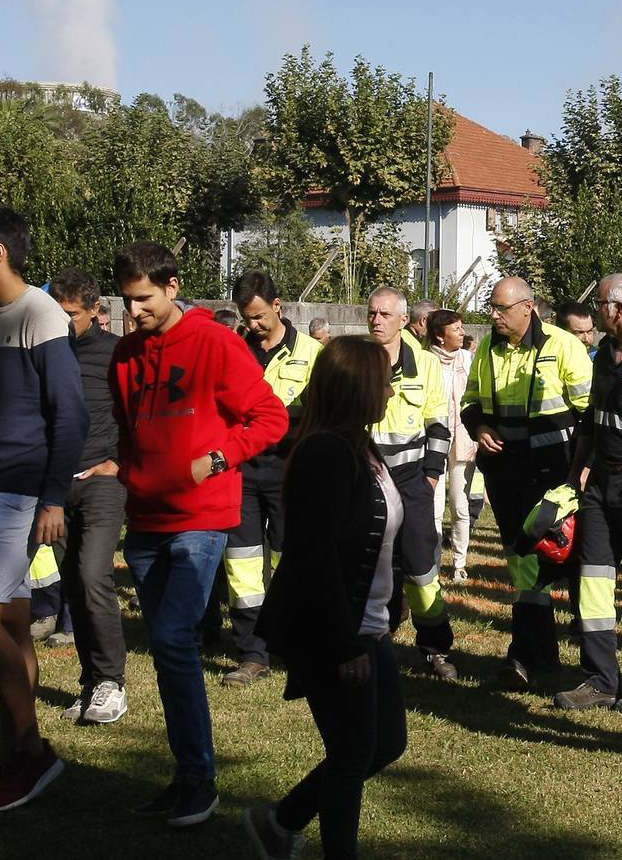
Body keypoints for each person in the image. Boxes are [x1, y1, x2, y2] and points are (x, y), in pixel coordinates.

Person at [109, 241, 288, 826]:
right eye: (126, 300)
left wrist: (215, 460)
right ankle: (187, 776)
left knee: (171, 640)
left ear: (172, 287)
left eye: (143, 299)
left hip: (201, 520)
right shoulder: (125, 355)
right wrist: (129, 475)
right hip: (145, 523)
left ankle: (198, 780)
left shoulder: (215, 343)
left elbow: (270, 418)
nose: (133, 311)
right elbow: (128, 430)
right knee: (170, 650)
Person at [250, 336, 410, 860]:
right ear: (358, 387)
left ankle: (280, 822)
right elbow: (313, 556)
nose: (391, 392)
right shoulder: (326, 453)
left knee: (385, 743)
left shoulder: (361, 446)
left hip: (368, 622)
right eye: (385, 382)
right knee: (353, 751)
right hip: (332, 628)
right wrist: (345, 644)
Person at [0, 206, 87, 811]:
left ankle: (34, 752)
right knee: (13, 624)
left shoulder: (41, 314)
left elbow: (71, 414)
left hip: (15, 491)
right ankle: (16, 754)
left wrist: (54, 497)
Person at [462, 277, 592, 688]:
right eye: (492, 308)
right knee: (522, 563)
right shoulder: (487, 347)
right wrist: (479, 426)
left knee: (556, 560)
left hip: (552, 476)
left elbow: (589, 413)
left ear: (527, 307)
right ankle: (536, 656)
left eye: (501, 309)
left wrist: (582, 471)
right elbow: (470, 401)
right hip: (505, 474)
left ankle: (545, 656)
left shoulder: (562, 345)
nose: (494, 316)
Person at [555, 274, 622, 712]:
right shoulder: (601, 355)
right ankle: (600, 679)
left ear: (618, 308)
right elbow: (592, 419)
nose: (597, 312)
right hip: (600, 486)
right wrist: (576, 471)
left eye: (600, 304)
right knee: (593, 583)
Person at [221, 270, 325, 687]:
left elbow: (322, 415)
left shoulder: (313, 353)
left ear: (277, 306)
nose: (253, 325)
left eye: (260, 316)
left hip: (289, 471)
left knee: (290, 558)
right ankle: (252, 653)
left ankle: (294, 640)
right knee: (242, 563)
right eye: (247, 318)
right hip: (241, 471)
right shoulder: (234, 350)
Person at [49, 268, 129, 725]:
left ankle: (112, 683)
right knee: (73, 584)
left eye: (72, 315)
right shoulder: (45, 351)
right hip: (55, 486)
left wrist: (117, 462)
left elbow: (137, 413)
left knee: (93, 573)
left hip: (102, 480)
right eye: (57, 313)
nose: (64, 323)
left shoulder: (117, 354)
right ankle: (91, 681)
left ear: (95, 310)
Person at [367, 287, 455, 680]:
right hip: (366, 479)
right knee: (370, 563)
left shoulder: (425, 364)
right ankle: (374, 639)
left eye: (385, 314)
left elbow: (438, 424)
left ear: (404, 320)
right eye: (372, 313)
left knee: (421, 568)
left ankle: (435, 647)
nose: (377, 320)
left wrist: (431, 475)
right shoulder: (358, 359)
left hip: (411, 480)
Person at [427, 309, 476, 583]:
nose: (462, 333)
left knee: (459, 504)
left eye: (461, 327)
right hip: (434, 440)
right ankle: (433, 563)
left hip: (462, 438)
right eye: (456, 329)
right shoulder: (427, 361)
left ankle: (460, 563)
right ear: (439, 335)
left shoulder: (468, 360)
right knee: (434, 508)